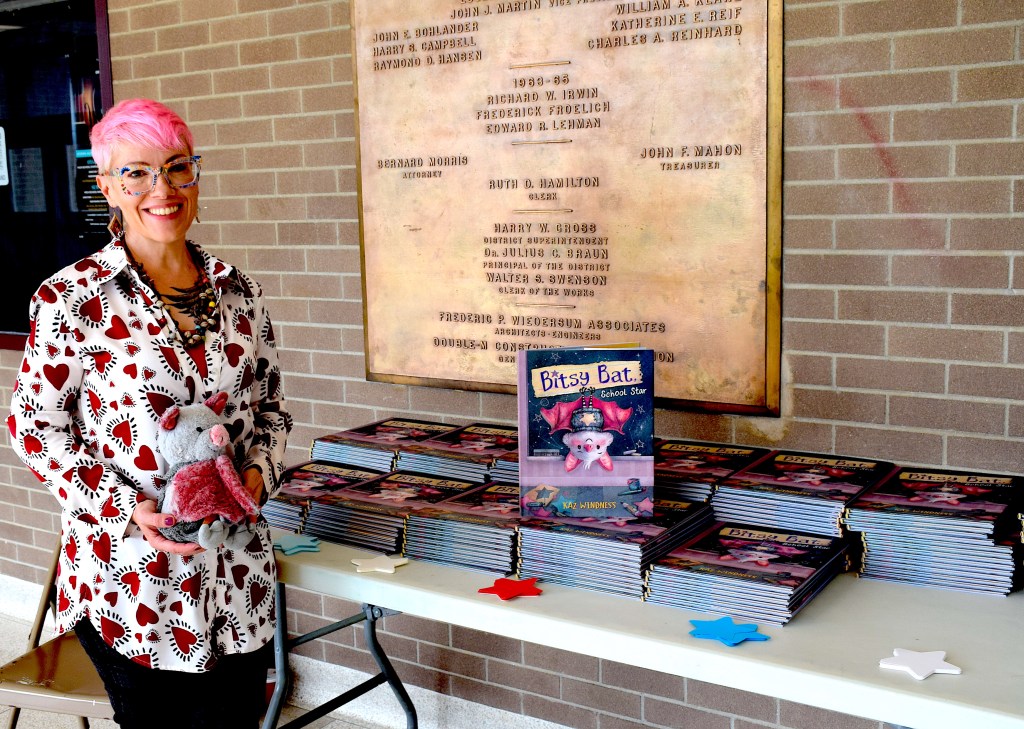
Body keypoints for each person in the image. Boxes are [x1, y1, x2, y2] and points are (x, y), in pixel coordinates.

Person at [7, 98, 291, 728]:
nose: (162, 190)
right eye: (135, 173)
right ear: (106, 185)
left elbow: (271, 410)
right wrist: (123, 506)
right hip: (132, 582)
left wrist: (257, 477)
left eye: (176, 167)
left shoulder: (240, 293)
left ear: (195, 174)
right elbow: (33, 427)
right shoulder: (73, 298)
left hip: (237, 574)